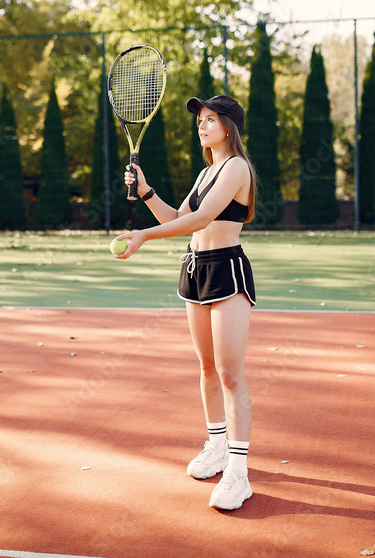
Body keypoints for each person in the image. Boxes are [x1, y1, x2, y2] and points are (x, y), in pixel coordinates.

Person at [114, 94, 257, 511]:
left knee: (231, 374)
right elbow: (177, 216)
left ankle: (238, 472)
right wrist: (146, 193)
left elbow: (199, 220)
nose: (202, 125)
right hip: (196, 268)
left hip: (226, 269)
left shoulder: (236, 168)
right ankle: (216, 446)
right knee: (207, 367)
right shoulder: (206, 171)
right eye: (200, 120)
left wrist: (141, 235)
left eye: (210, 119)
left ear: (228, 126)